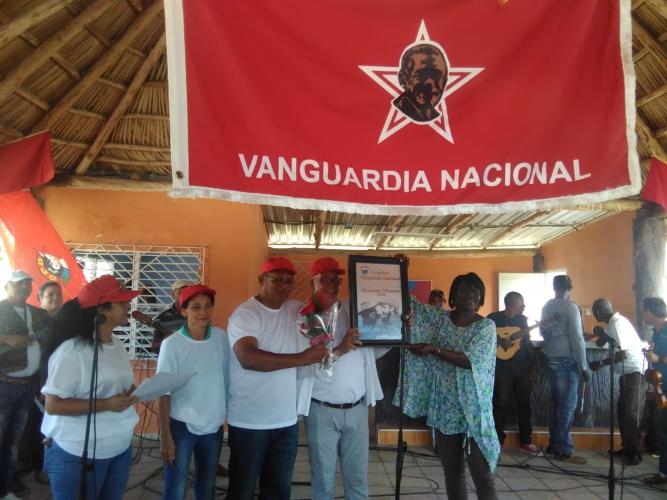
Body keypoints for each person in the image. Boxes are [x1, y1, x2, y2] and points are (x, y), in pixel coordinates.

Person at [226, 257, 327, 500]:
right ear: (262, 280)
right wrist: (302, 358)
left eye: (289, 281)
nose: (284, 285)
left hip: (286, 421)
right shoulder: (245, 314)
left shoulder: (295, 310)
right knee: (242, 491)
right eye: (277, 279)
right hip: (250, 423)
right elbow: (248, 358)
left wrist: (320, 285)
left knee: (279, 491)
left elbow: (321, 326)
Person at [400, 272, 499, 500]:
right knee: (452, 470)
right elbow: (408, 303)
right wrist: (401, 269)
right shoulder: (439, 320)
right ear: (453, 295)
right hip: (446, 406)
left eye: (475, 290)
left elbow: (470, 360)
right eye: (464, 289)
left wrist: (434, 349)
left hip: (475, 409)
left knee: (481, 472)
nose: (470, 294)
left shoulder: (486, 327)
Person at [41, 275, 140, 499]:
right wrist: (107, 404)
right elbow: (53, 405)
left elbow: (112, 386)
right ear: (102, 310)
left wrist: (128, 393)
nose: (128, 306)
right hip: (77, 452)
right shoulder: (72, 351)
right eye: (122, 302)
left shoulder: (118, 346)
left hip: (120, 446)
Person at [297, 257, 387, 500]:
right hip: (322, 412)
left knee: (357, 478)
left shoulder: (354, 310)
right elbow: (313, 362)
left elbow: (373, 349)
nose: (332, 285)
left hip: (357, 410)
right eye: (325, 280)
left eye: (336, 280)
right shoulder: (307, 317)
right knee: (323, 480)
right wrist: (341, 348)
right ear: (312, 283)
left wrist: (394, 332)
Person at [158, 284, 229, 500]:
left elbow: (227, 377)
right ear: (183, 311)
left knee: (206, 486)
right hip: (182, 427)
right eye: (196, 307)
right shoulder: (172, 345)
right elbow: (163, 393)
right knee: (176, 489)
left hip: (213, 427)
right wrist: (165, 437)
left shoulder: (220, 338)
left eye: (207, 306)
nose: (203, 313)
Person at [0, 270, 49, 500]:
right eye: (19, 284)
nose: (24, 288)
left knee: (17, 438)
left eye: (27, 284)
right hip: (5, 386)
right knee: (2, 438)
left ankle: (8, 484)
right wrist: (4, 338)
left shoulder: (37, 313)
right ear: (7, 286)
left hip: (30, 385)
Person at [589, 298, 644, 466]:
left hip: (634, 372)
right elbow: (601, 342)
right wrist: (599, 334)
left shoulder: (618, 323)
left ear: (598, 312)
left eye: (593, 311)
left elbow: (624, 354)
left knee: (629, 413)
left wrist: (600, 363)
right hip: (626, 373)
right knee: (622, 412)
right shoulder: (613, 323)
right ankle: (627, 448)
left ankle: (635, 454)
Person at [540, 275, 588, 464]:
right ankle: (564, 449)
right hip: (566, 359)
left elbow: (543, 332)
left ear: (554, 287)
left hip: (549, 356)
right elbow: (577, 337)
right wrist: (583, 365)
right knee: (567, 405)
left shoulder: (547, 306)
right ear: (570, 287)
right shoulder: (571, 307)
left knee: (556, 404)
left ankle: (554, 444)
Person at [489, 292, 539, 455]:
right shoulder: (493, 318)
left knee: (524, 404)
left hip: (522, 368)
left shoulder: (523, 320)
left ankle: (525, 441)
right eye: (521, 302)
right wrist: (498, 340)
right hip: (502, 368)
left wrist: (534, 365)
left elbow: (527, 342)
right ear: (511, 304)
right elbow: (482, 337)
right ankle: (497, 440)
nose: (523, 305)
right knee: (500, 404)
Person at [641, 297, 667, 485]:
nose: (643, 315)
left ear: (649, 312)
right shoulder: (656, 333)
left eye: (644, 311)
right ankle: (663, 473)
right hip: (662, 389)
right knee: (663, 432)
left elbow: (661, 359)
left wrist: (658, 358)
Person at [393, 43, 448, 122]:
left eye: (437, 77)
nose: (430, 84)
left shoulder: (431, 116)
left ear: (445, 81)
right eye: (422, 75)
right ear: (403, 79)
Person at [151, 280, 193, 354]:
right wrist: (168, 340)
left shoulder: (198, 316)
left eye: (187, 293)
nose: (184, 296)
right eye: (180, 293)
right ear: (173, 295)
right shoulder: (162, 319)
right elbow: (155, 348)